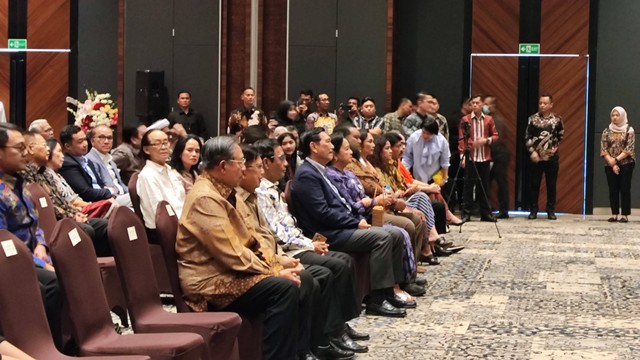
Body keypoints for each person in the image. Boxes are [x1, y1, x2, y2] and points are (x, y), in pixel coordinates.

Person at [176, 136, 301, 360]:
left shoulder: (225, 190)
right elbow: (232, 253)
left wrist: (274, 262)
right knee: (283, 288)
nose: (244, 170)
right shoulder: (205, 198)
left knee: (295, 280)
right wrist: (273, 272)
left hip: (228, 271)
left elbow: (251, 236)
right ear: (223, 166)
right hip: (210, 281)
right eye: (241, 163)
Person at [238, 144, 357, 359]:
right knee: (321, 271)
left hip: (280, 252)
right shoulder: (252, 194)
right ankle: (312, 344)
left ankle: (327, 335)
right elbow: (271, 237)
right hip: (279, 253)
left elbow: (272, 233)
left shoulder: (258, 192)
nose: (285, 164)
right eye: (281, 159)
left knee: (335, 265)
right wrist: (282, 260)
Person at [290, 128, 407, 318]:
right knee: (383, 237)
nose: (331, 146)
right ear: (313, 146)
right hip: (327, 232)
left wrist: (356, 217)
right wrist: (353, 222)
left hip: (341, 225)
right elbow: (322, 213)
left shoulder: (320, 170)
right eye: (327, 142)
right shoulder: (307, 174)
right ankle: (376, 300)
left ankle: (388, 292)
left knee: (395, 234)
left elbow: (341, 203)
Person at [0, 123, 63, 350]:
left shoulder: (19, 181)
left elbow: (35, 224)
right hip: (10, 263)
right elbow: (4, 243)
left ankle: (80, 337)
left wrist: (42, 246)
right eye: (19, 148)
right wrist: (38, 263)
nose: (26, 153)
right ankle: (49, 348)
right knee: (52, 282)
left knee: (73, 266)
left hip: (30, 255)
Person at [22, 133, 111, 256]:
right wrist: (72, 216)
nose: (48, 148)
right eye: (44, 145)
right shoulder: (26, 174)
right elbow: (47, 206)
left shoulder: (45, 172)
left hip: (66, 216)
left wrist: (75, 213)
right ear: (31, 148)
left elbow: (61, 201)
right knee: (86, 230)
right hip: (55, 222)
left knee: (104, 226)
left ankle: (99, 267)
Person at [459, 95, 499, 223]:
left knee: (484, 186)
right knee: (468, 186)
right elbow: (462, 139)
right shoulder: (465, 119)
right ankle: (466, 213)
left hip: (484, 157)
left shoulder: (489, 120)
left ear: (482, 104)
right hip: (471, 157)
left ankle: (485, 213)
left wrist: (486, 140)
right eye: (473, 103)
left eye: (477, 103)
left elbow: (495, 136)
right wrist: (462, 156)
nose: (475, 105)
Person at [525, 94, 564, 220]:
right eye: (540, 103)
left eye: (545, 103)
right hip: (536, 157)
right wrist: (532, 152)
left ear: (551, 105)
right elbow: (527, 136)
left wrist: (553, 148)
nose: (542, 105)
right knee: (534, 184)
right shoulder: (532, 119)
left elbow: (560, 136)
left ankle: (550, 210)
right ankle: (533, 210)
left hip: (551, 157)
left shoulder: (557, 119)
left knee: (551, 185)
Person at [137, 129, 185, 231]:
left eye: (165, 142)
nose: (163, 147)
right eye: (158, 144)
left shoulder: (169, 171)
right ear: (146, 150)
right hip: (165, 231)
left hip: (182, 222)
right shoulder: (147, 176)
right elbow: (160, 214)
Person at [58, 125, 117, 203]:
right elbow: (86, 193)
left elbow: (100, 184)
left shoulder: (87, 160)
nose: (85, 144)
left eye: (85, 139)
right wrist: (110, 192)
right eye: (80, 141)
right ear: (68, 146)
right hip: (90, 204)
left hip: (104, 198)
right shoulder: (67, 164)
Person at [600, 106, 635, 223]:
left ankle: (625, 215)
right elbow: (604, 149)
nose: (615, 117)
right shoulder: (606, 131)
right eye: (613, 115)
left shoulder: (629, 130)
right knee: (613, 189)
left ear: (622, 116)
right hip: (609, 164)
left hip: (626, 163)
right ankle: (614, 214)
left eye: (617, 115)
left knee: (625, 188)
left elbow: (628, 148)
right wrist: (612, 163)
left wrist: (616, 160)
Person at [85, 125, 132, 208]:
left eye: (109, 138)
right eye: (101, 137)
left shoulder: (109, 158)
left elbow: (121, 184)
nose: (106, 141)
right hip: (110, 199)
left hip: (122, 196)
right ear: (92, 141)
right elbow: (98, 188)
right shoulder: (90, 160)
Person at [483, 95, 510, 219]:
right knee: (485, 183)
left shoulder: (496, 120)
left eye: (487, 104)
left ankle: (504, 210)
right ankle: (486, 207)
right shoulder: (484, 119)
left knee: (501, 182)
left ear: (493, 106)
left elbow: (496, 140)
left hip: (499, 155)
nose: (485, 106)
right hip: (488, 155)